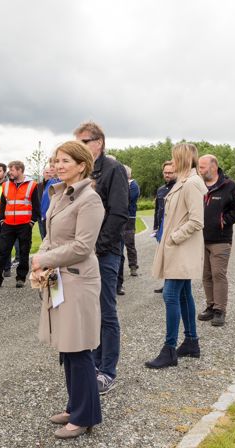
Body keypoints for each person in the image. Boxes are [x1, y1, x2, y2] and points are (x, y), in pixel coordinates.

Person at [32, 140, 104, 440]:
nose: (58, 165)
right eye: (56, 160)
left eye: (64, 161)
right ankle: (75, 407)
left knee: (79, 349)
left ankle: (85, 417)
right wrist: (41, 254)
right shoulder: (61, 194)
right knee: (67, 348)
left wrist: (44, 258)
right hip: (60, 279)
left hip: (78, 280)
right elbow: (51, 234)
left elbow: (83, 246)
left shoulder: (89, 200)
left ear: (81, 165)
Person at [74, 121, 129, 395]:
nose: (79, 147)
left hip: (103, 253)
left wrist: (98, 247)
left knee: (106, 312)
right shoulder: (81, 172)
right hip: (82, 252)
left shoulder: (113, 170)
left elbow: (119, 213)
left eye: (84, 142)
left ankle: (107, 370)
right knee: (88, 312)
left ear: (99, 142)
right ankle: (92, 364)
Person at [146, 143, 206, 369]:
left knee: (171, 295)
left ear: (182, 159)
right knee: (183, 295)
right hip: (178, 248)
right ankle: (191, 341)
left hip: (181, 248)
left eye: (174, 158)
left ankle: (169, 349)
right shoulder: (183, 182)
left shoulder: (191, 184)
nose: (171, 162)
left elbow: (196, 220)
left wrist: (173, 237)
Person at [196, 155, 235, 327]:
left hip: (220, 239)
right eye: (199, 167)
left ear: (214, 167)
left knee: (218, 274)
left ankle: (220, 309)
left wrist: (223, 221)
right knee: (206, 275)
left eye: (203, 167)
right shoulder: (198, 185)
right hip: (201, 238)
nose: (200, 170)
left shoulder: (229, 186)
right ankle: (210, 305)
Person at [0, 161, 40, 289]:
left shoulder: (32, 185)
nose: (9, 172)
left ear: (20, 170)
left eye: (12, 170)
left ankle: (21, 278)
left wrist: (32, 221)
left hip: (25, 225)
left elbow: (36, 206)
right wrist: (1, 219)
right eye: (9, 169)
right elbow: (3, 204)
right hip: (8, 224)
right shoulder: (5, 185)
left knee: (23, 252)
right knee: (2, 251)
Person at [152, 161, 176, 294]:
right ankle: (167, 283)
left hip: (173, 228)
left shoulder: (179, 188)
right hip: (161, 227)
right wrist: (155, 227)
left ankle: (172, 285)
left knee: (172, 256)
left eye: (170, 172)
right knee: (164, 257)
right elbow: (157, 210)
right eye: (165, 172)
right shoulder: (161, 189)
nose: (167, 175)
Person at [120, 165, 140, 279]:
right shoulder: (121, 185)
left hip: (129, 217)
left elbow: (127, 199)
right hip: (120, 217)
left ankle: (133, 266)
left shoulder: (133, 185)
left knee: (129, 242)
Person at [38, 162, 61, 240]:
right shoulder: (50, 182)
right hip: (45, 217)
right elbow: (45, 201)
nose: (51, 169)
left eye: (53, 166)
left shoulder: (61, 182)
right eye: (50, 166)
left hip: (54, 218)